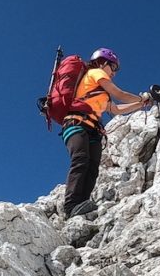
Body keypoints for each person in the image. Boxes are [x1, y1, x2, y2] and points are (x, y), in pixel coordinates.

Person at [62, 48, 150, 218]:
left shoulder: (101, 94)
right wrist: (142, 98)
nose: (114, 73)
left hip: (92, 129)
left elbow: (116, 109)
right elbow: (119, 94)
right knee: (80, 160)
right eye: (113, 67)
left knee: (92, 167)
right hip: (76, 123)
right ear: (102, 62)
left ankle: (82, 205)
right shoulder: (95, 72)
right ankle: (71, 206)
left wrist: (142, 104)